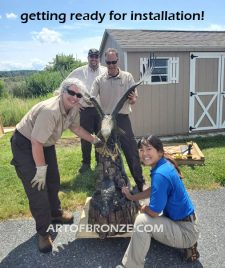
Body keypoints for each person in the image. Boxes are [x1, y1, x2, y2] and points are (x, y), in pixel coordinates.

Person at [10, 78, 102, 253]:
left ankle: (55, 213)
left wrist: (94, 140)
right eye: (71, 92)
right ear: (62, 91)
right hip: (26, 143)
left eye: (78, 94)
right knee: (38, 186)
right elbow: (35, 142)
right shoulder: (50, 111)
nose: (75, 97)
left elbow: (75, 128)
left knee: (53, 180)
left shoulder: (74, 108)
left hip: (45, 143)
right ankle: (44, 233)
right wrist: (40, 169)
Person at [117, 135, 200, 268]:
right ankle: (188, 245)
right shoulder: (163, 166)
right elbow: (153, 189)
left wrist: (143, 208)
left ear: (160, 152)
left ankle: (130, 266)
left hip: (186, 232)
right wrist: (132, 197)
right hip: (184, 223)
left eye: (149, 149)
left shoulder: (161, 174)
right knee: (146, 225)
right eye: (141, 150)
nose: (144, 154)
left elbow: (154, 213)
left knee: (142, 222)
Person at [91, 48, 145, 192]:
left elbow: (134, 98)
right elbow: (91, 97)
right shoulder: (99, 80)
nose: (111, 65)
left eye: (114, 62)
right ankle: (109, 185)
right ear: (105, 62)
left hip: (122, 119)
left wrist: (133, 99)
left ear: (118, 60)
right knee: (105, 153)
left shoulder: (127, 77)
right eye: (108, 62)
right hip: (106, 121)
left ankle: (140, 182)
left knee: (131, 151)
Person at [66, 48, 107, 173]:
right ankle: (86, 163)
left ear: (98, 58)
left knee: (101, 136)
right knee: (85, 137)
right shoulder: (79, 72)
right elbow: (66, 84)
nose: (94, 59)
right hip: (85, 110)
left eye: (96, 56)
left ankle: (100, 162)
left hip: (101, 110)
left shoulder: (105, 71)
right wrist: (75, 103)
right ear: (88, 58)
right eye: (91, 57)